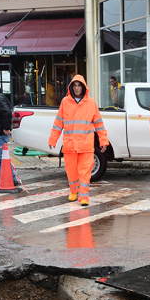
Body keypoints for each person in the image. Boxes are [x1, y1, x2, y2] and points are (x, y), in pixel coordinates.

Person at [48, 75, 108, 207]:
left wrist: (103, 140)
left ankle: (84, 196)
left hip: (86, 144)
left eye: (79, 85)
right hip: (70, 144)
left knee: (85, 171)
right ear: (71, 87)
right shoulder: (65, 102)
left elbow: (99, 123)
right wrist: (53, 138)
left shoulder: (91, 103)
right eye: (74, 85)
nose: (76, 88)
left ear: (83, 87)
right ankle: (74, 191)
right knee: (71, 170)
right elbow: (58, 123)